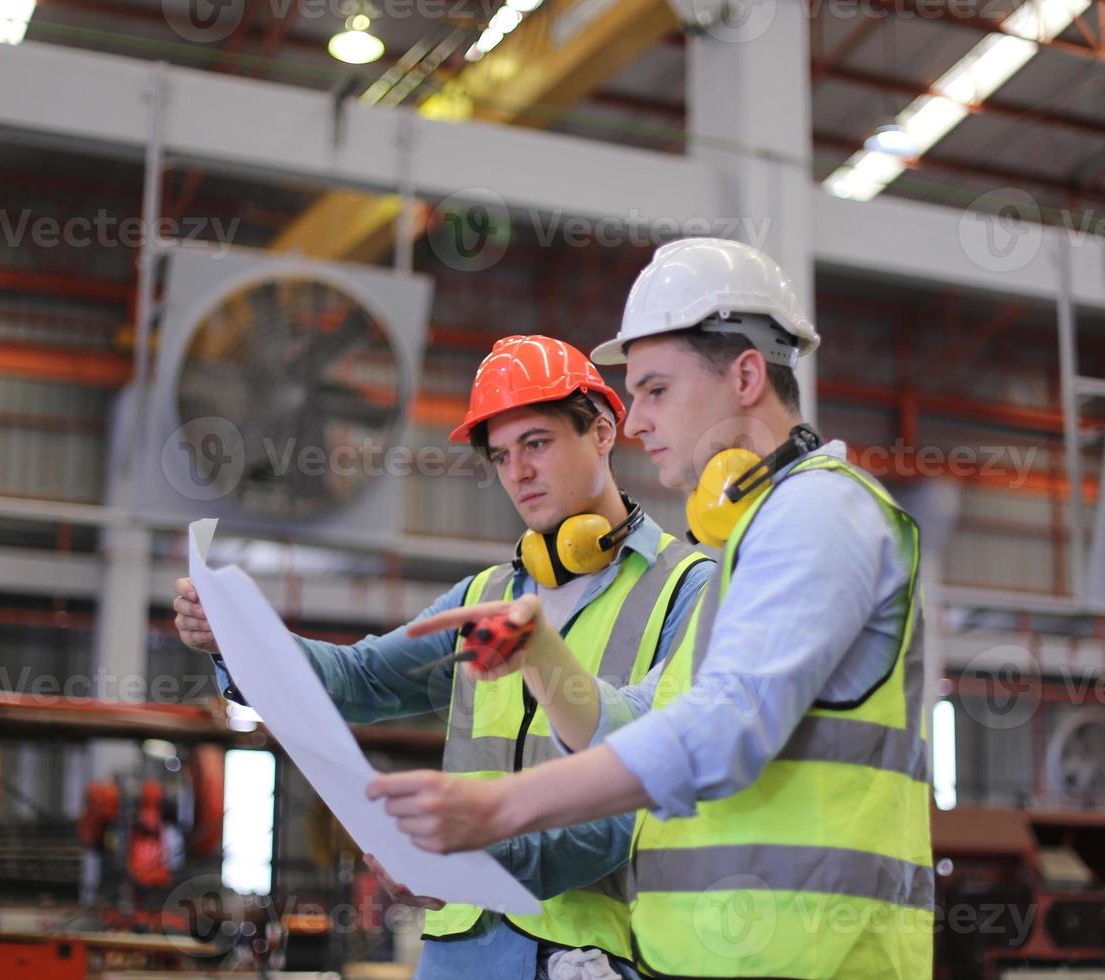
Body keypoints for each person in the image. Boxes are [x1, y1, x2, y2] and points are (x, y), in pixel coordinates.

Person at [368, 239, 934, 978]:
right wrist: (541, 653)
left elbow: (721, 729)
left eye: (655, 390)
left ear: (747, 376)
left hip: (817, 961)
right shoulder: (745, 554)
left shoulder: (821, 513)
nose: (633, 422)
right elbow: (637, 723)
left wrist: (500, 809)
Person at [174, 335, 712, 980]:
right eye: (501, 455)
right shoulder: (486, 598)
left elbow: (650, 790)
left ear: (601, 431)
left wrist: (468, 856)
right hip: (460, 944)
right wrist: (241, 636)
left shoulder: (689, 588)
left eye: (536, 443)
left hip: (590, 948)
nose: (518, 473)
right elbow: (362, 678)